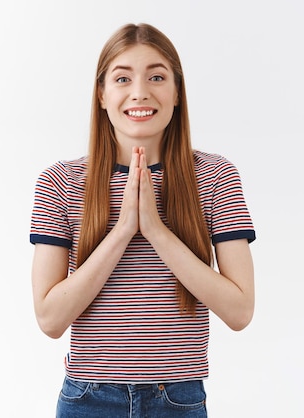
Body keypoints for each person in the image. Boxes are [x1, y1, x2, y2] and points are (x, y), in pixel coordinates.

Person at [29, 23, 255, 417]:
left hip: (177, 398)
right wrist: (121, 231)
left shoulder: (215, 176)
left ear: (177, 93)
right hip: (89, 399)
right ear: (101, 95)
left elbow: (239, 311)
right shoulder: (61, 182)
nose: (140, 92)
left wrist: (155, 229)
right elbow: (50, 319)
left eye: (156, 76)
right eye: (122, 78)